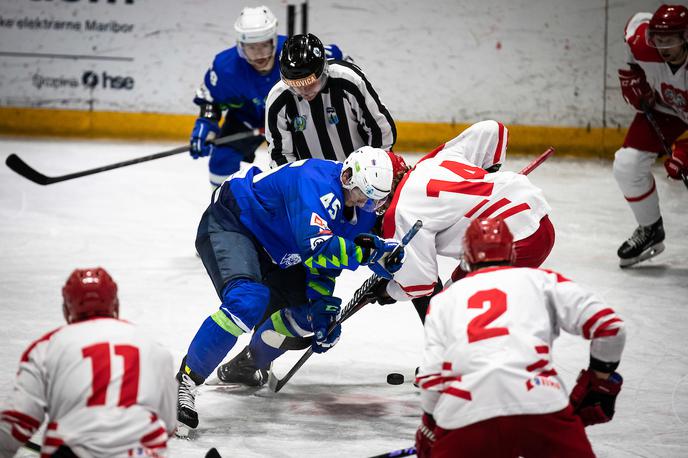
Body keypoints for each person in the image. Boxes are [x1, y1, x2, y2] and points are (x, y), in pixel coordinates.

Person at [175, 146, 405, 437]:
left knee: (311, 318)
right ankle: (186, 381)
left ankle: (248, 365)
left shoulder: (362, 210)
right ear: (347, 176)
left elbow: (323, 266)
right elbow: (318, 247)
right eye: (364, 194)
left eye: (374, 200)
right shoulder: (314, 181)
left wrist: (323, 307)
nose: (367, 204)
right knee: (247, 301)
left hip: (280, 252)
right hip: (234, 223)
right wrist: (369, 254)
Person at [414, 218, 626, 458]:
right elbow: (611, 327)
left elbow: (431, 377)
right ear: (512, 253)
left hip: (466, 410)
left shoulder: (443, 300)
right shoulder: (542, 281)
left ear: (467, 257)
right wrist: (599, 379)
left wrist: (430, 425)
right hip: (538, 401)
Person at [368, 120, 555, 322]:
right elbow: (493, 130)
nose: (376, 206)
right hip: (534, 220)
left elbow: (421, 283)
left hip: (517, 242)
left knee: (456, 317)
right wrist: (484, 179)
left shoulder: (400, 212)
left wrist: (390, 290)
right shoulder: (434, 161)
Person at [0, 268, 177, 457]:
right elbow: (168, 425)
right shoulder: (153, 346)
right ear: (115, 304)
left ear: (67, 308)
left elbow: (16, 423)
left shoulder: (46, 347)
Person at [189, 6, 347, 187]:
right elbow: (210, 98)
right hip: (249, 119)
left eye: (265, 45)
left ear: (274, 40)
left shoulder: (296, 53)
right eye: (251, 47)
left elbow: (341, 65)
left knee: (305, 165)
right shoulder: (226, 67)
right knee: (221, 160)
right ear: (240, 46)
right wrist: (207, 123)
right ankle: (225, 210)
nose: (259, 54)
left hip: (294, 119)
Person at [614, 4, 688, 267]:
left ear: (685, 38)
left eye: (670, 40)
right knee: (627, 164)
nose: (663, 46)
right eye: (658, 39)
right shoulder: (643, 42)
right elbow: (636, 24)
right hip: (665, 110)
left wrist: (685, 153)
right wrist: (633, 75)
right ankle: (650, 230)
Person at [265, 33, 397, 166]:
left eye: (310, 83)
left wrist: (374, 168)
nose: (304, 91)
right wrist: (297, 182)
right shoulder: (278, 100)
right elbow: (280, 156)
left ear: (323, 70)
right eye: (296, 85)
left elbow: (380, 129)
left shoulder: (348, 81)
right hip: (312, 183)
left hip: (362, 174)